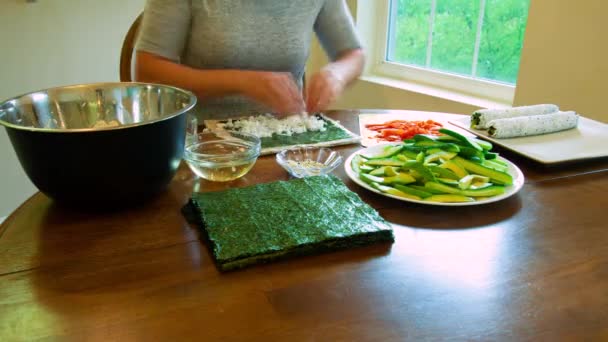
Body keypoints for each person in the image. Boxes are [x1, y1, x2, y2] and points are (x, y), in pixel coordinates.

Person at [134, 0, 364, 120]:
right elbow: (147, 71)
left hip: (287, 139)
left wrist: (337, 74)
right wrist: (241, 81)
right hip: (202, 144)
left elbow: (353, 54)